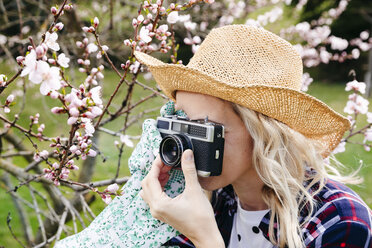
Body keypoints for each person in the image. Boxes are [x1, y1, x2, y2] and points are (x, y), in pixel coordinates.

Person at [135, 25, 372, 247]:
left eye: (202, 130)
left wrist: (205, 238)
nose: (185, 147)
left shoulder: (338, 222)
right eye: (181, 124)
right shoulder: (211, 201)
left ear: (263, 134)